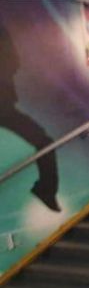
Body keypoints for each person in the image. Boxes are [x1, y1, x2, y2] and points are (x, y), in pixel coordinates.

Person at [0, 21, 60, 211]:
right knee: (44, 142)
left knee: (44, 142)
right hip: (4, 105)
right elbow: (13, 62)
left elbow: (14, 62)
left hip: (5, 105)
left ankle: (46, 190)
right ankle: (45, 190)